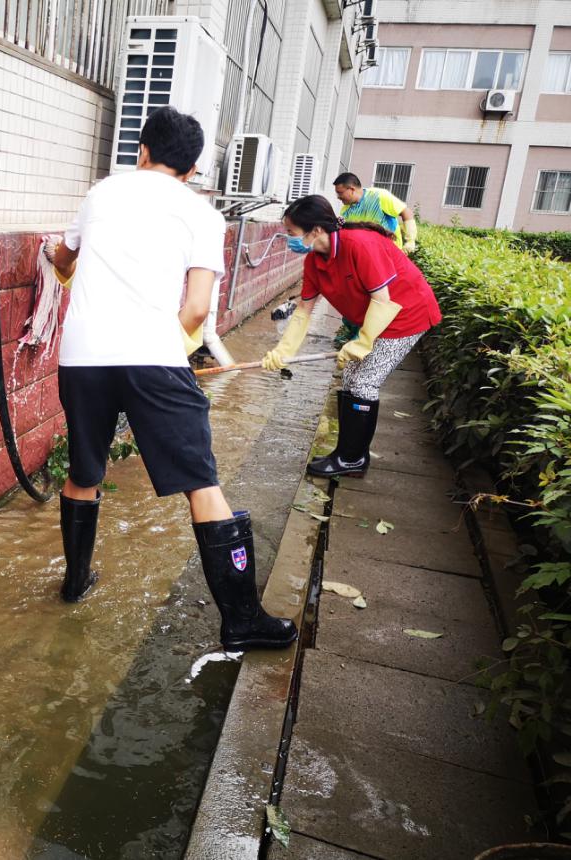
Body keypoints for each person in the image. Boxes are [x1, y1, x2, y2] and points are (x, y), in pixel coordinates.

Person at [45, 106, 296, 652]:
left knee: (84, 472)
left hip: (82, 357)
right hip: (154, 359)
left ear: (142, 151)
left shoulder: (101, 193)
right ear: (194, 167)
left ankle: (75, 583)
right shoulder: (202, 214)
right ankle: (242, 620)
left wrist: (61, 264)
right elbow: (198, 308)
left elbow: (63, 259)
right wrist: (168, 353)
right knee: (201, 482)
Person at [262, 194, 442, 479]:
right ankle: (345, 452)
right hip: (377, 318)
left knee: (364, 383)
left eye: (291, 232)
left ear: (316, 230)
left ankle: (352, 459)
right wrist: (282, 352)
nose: (288, 238)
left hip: (407, 315)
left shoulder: (359, 245)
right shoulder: (315, 261)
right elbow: (303, 311)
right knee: (350, 377)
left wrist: (363, 342)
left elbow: (382, 300)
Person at [331, 172, 418, 346]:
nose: (338, 197)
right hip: (363, 263)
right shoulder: (346, 211)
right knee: (357, 300)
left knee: (379, 301)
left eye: (340, 193)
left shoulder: (379, 196)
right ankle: (356, 334)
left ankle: (370, 339)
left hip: (387, 260)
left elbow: (406, 213)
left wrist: (410, 241)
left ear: (351, 189)